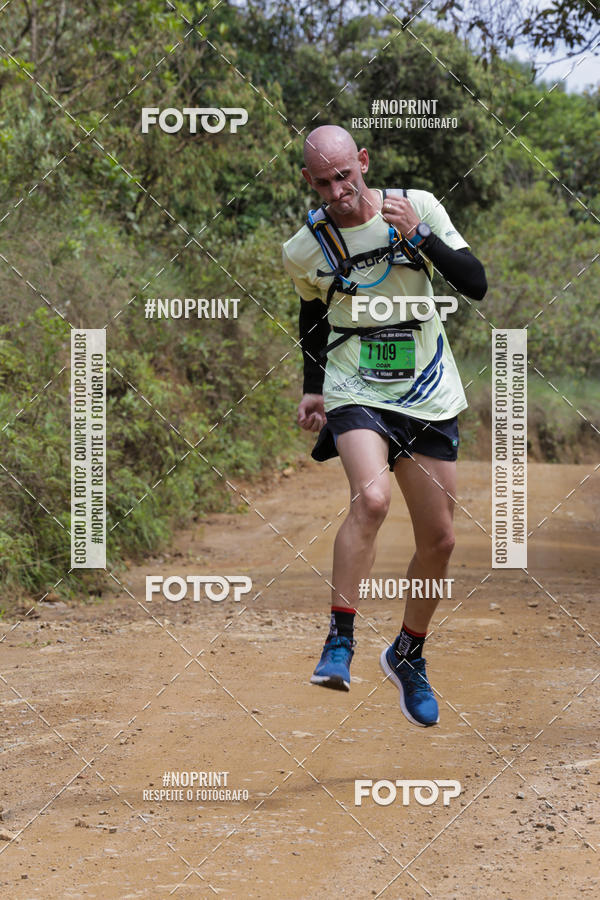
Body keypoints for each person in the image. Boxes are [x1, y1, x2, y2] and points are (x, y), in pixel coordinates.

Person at [282, 125, 487, 727]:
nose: (338, 192)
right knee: (370, 500)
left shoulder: (416, 206)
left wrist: (418, 236)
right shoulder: (305, 247)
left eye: (345, 176)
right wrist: (313, 387)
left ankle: (408, 655)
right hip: (357, 386)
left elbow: (474, 283)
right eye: (323, 183)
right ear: (308, 181)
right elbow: (311, 316)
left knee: (441, 538)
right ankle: (339, 639)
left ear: (363, 163)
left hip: (426, 388)